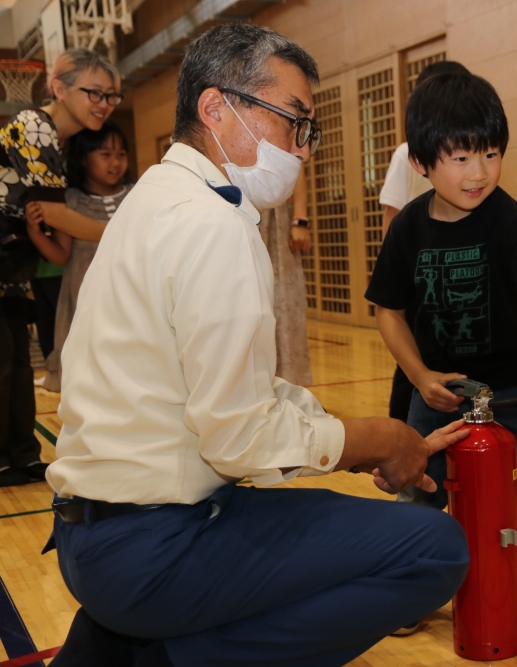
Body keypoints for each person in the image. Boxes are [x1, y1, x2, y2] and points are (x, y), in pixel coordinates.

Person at [45, 24, 469, 667]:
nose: (302, 150)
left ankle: (116, 645)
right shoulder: (212, 225)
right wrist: (379, 439)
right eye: (292, 122)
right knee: (434, 549)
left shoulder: (151, 199)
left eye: (309, 131)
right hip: (150, 548)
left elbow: (219, 390)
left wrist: (341, 435)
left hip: (91, 534)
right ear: (217, 108)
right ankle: (164, 656)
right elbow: (237, 438)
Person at [365, 71, 517, 634]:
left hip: (514, 395)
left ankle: (506, 583)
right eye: (459, 158)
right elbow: (389, 311)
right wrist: (420, 374)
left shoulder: (510, 220)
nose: (478, 172)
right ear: (422, 163)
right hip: (436, 394)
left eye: (490, 153)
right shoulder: (408, 228)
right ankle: (415, 589)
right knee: (417, 492)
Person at [0, 48, 119, 488]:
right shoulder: (34, 125)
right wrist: (125, 230)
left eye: (112, 96)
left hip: (12, 263)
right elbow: (53, 213)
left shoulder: (62, 143)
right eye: (94, 92)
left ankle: (21, 456)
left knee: (13, 360)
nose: (104, 103)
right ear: (59, 88)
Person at [379, 59, 469, 424]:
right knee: (413, 366)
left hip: (459, 282)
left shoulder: (472, 157)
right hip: (422, 283)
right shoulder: (406, 154)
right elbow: (392, 220)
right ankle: (401, 435)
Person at [40, 120, 133, 394]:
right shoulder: (71, 201)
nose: (115, 162)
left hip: (127, 299)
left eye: (121, 154)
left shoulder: (135, 196)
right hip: (83, 301)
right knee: (88, 380)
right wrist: (36, 234)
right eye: (105, 154)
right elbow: (60, 256)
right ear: (83, 159)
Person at [257, 170, 313, 386]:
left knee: (284, 303)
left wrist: (300, 220)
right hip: (237, 209)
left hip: (274, 218)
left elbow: (295, 163)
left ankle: (291, 386)